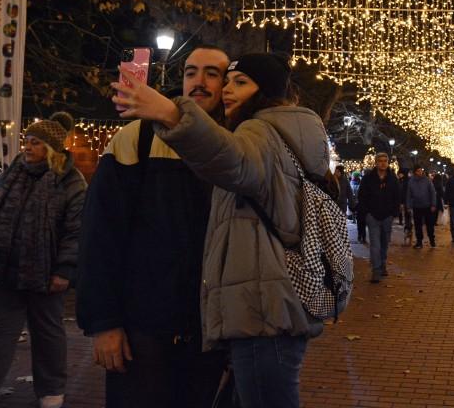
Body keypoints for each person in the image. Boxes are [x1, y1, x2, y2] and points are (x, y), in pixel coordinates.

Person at [112, 52, 330, 408]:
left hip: (264, 311)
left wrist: (171, 112)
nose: (228, 90)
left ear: (267, 92)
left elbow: (233, 161)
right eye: (227, 81)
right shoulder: (292, 130)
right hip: (273, 304)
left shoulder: (261, 129)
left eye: (240, 83)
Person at [77, 45, 230, 408]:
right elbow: (100, 236)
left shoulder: (240, 147)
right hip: (141, 330)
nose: (199, 82)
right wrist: (103, 323)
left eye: (212, 73)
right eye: (191, 72)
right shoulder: (137, 139)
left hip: (210, 333)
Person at [0, 113, 86, 408]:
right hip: (3, 267)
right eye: (26, 141)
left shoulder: (70, 180)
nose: (27, 147)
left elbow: (76, 229)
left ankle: (51, 390)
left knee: (48, 334)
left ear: (51, 148)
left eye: (35, 142)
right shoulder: (15, 169)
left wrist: (65, 270)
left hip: (45, 270)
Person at [358, 152, 401, 283]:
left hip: (387, 216)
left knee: (384, 242)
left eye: (385, 161)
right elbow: (362, 196)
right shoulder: (368, 178)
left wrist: (394, 212)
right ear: (376, 163)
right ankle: (376, 270)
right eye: (380, 161)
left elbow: (397, 196)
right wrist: (366, 212)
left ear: (387, 163)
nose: (383, 163)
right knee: (375, 244)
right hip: (373, 216)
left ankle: (382, 263)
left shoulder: (393, 178)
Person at [407, 166, 438, 248]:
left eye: (421, 170)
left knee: (430, 225)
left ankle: (432, 240)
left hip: (427, 206)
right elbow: (409, 195)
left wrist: (433, 204)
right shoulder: (411, 181)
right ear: (415, 172)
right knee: (417, 225)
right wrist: (409, 206)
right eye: (418, 171)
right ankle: (419, 242)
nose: (420, 172)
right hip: (416, 206)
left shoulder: (427, 180)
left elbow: (432, 192)